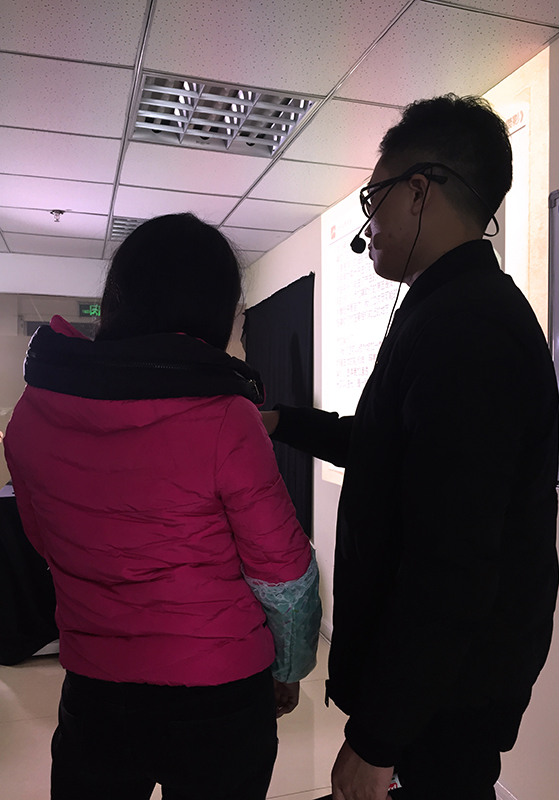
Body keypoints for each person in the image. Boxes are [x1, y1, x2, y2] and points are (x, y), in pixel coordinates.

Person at [263, 95, 559, 800]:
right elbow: (382, 447)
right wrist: (280, 422)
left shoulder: (468, 328)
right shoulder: (448, 309)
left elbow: (451, 562)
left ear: (420, 191)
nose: (368, 224)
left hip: (452, 689)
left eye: (375, 198)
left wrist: (377, 738)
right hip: (444, 679)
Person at [3, 213, 321, 800]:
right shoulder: (228, 417)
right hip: (218, 691)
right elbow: (284, 574)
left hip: (96, 684)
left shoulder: (32, 414)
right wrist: (289, 667)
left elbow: (46, 542)